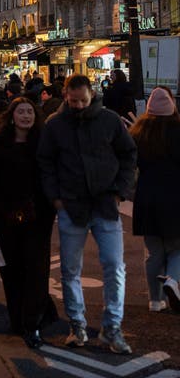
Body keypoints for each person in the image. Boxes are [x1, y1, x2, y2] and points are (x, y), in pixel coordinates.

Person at [38, 73, 138, 353]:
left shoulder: (108, 121)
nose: (78, 105)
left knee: (115, 267)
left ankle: (112, 327)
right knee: (71, 269)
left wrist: (120, 190)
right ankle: (78, 325)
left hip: (104, 203)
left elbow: (128, 154)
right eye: (73, 101)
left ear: (91, 95)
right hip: (73, 204)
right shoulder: (56, 125)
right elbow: (45, 161)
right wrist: (55, 197)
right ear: (66, 97)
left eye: (82, 100)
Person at [0, 97, 56, 348]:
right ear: (12, 115)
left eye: (30, 111)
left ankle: (32, 322)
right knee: (12, 269)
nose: (26, 116)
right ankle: (17, 319)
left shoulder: (43, 143)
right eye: (21, 112)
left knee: (36, 269)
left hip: (38, 216)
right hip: (7, 215)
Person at [127, 87, 180, 312]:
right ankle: (172, 280)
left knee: (154, 253)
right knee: (177, 249)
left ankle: (155, 301)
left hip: (147, 198)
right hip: (176, 197)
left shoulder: (138, 133)